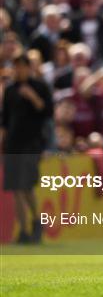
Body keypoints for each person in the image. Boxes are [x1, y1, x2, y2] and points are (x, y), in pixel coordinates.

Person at [1, 53, 53, 243]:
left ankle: (37, 223)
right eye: (16, 66)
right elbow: (5, 120)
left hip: (32, 144)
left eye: (22, 66)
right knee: (15, 189)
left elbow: (48, 112)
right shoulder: (9, 90)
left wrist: (33, 98)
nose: (19, 70)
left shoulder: (40, 87)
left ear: (29, 68)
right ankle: (23, 231)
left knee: (26, 186)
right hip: (12, 145)